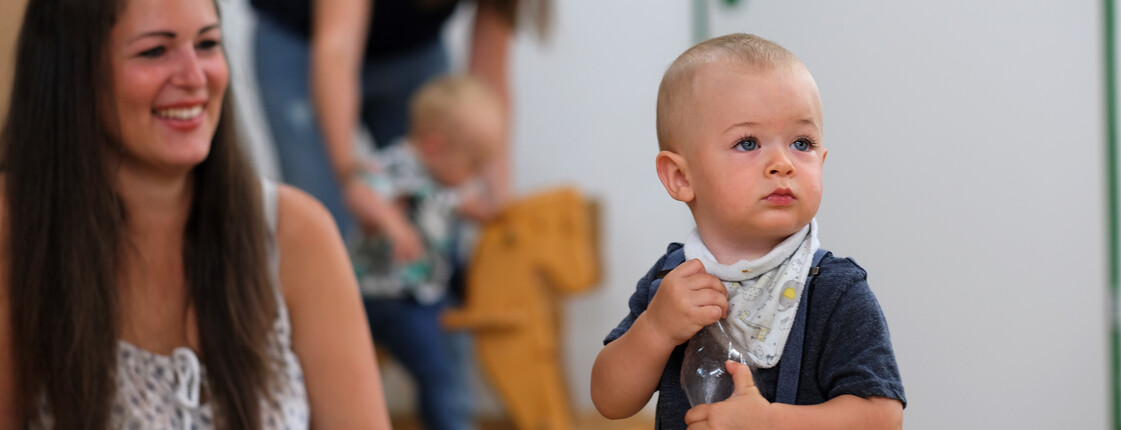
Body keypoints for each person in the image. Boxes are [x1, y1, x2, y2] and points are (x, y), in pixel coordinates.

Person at [0, 0, 391, 428]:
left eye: (207, 45)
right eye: (154, 51)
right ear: (71, 70)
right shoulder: (15, 228)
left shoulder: (297, 233)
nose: (194, 77)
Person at [589, 33, 906, 429]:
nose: (782, 163)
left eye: (802, 143)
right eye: (748, 142)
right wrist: (654, 329)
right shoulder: (671, 279)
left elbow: (883, 418)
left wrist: (770, 422)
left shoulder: (836, 291)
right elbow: (608, 400)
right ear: (680, 177)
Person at [250, 0, 546, 244]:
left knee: (438, 221)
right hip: (304, 40)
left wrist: (501, 208)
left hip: (413, 49)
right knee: (326, 225)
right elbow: (336, 48)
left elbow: (488, 83)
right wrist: (349, 175)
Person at [350, 74, 502, 430]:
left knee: (453, 350)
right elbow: (360, 192)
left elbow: (463, 203)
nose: (474, 177)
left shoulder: (444, 175)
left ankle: (455, 415)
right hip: (387, 296)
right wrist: (392, 223)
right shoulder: (396, 166)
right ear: (435, 147)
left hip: (426, 291)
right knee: (438, 370)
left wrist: (490, 212)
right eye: (473, 164)